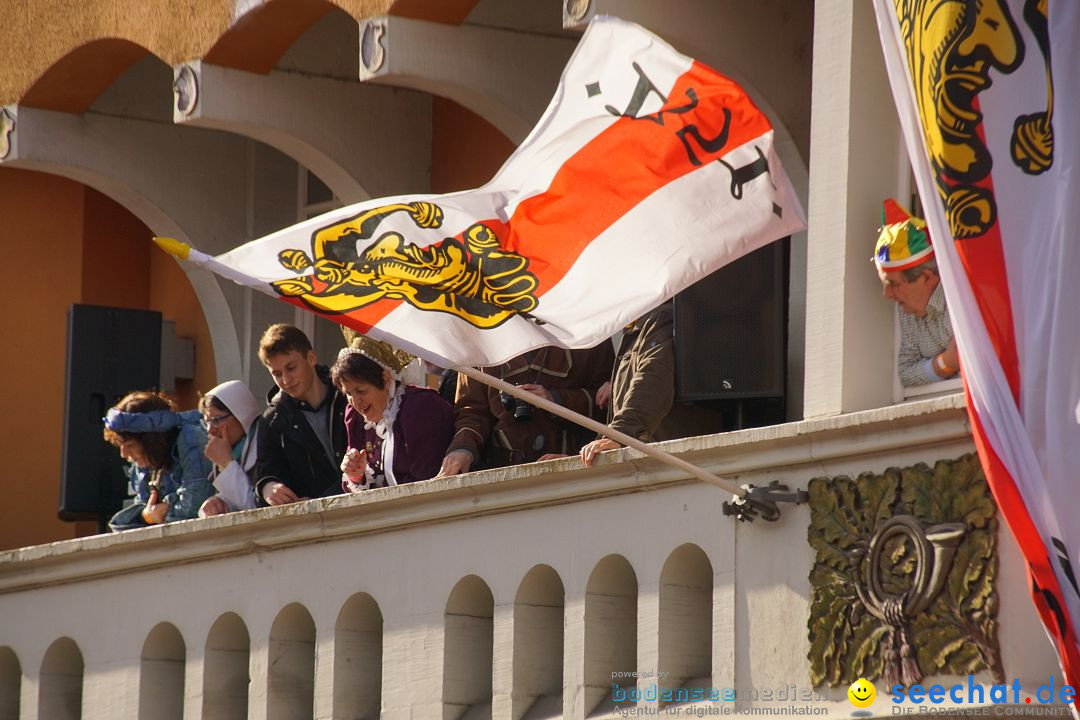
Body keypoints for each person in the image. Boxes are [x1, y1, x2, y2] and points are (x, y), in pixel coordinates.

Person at [437, 343, 614, 475]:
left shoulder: (585, 327)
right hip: (505, 476)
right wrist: (462, 449)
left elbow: (609, 401)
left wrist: (556, 400)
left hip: (575, 469)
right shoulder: (478, 340)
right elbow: (472, 411)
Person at [332, 337, 454, 490]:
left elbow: (427, 481)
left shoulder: (420, 407)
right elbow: (357, 487)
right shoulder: (356, 417)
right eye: (348, 393)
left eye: (361, 391)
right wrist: (356, 475)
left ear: (386, 379)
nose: (356, 402)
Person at [255, 324, 348, 506]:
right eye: (276, 373)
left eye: (291, 368)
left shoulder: (348, 393)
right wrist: (268, 487)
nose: (286, 380)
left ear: (311, 357)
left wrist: (322, 500)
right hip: (317, 523)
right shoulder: (272, 421)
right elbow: (267, 472)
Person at [580, 301, 677, 466]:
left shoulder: (660, 318)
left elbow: (652, 379)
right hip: (650, 462)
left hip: (668, 464)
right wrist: (578, 456)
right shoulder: (635, 329)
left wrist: (619, 435)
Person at [874, 199, 958, 387]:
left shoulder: (960, 298)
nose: (886, 294)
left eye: (893, 284)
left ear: (927, 278)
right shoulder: (907, 309)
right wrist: (946, 363)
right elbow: (906, 373)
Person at [102, 391, 214, 531]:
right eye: (121, 445)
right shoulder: (145, 462)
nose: (124, 454)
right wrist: (146, 516)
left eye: (130, 445)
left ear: (152, 440)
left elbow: (192, 511)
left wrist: (162, 513)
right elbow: (123, 525)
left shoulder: (191, 439)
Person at [197, 380, 262, 517]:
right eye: (206, 422)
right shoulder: (234, 449)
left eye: (216, 420)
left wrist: (226, 464)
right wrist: (217, 502)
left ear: (241, 414)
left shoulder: (266, 446)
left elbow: (257, 508)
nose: (210, 430)